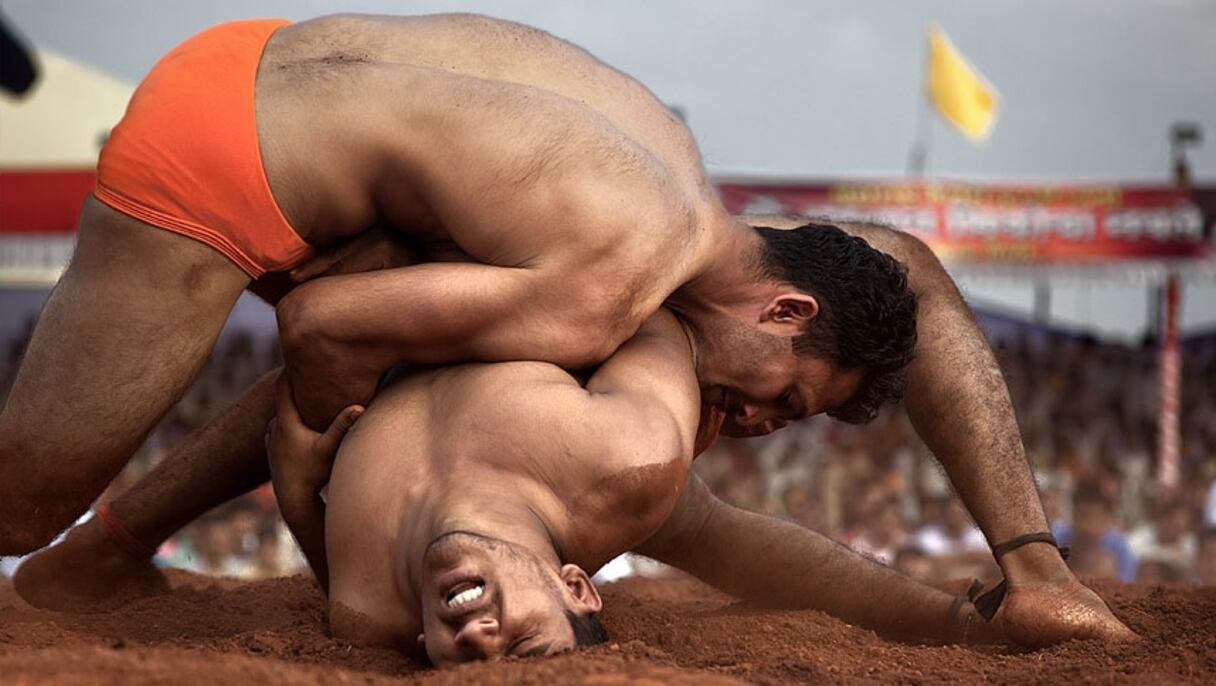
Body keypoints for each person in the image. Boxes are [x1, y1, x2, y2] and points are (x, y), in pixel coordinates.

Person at [1, 13, 1128, 646]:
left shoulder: (676, 187)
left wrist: (1011, 570)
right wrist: (307, 457)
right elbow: (324, 325)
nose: (746, 424)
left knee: (412, 330)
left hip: (256, 56)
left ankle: (108, 550)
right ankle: (89, 539)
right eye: (778, 397)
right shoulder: (610, 294)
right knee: (20, 502)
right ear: (782, 307)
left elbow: (902, 269)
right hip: (222, 157)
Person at [268, 311, 1008, 665]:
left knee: (305, 350)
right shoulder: (626, 459)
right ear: (578, 588)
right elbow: (670, 317)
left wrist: (300, 492)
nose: (476, 638)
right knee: (706, 528)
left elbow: (299, 412)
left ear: (423, 643)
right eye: (523, 644)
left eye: (460, 662)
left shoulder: (363, 605)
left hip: (389, 315)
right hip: (570, 272)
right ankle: (958, 620)